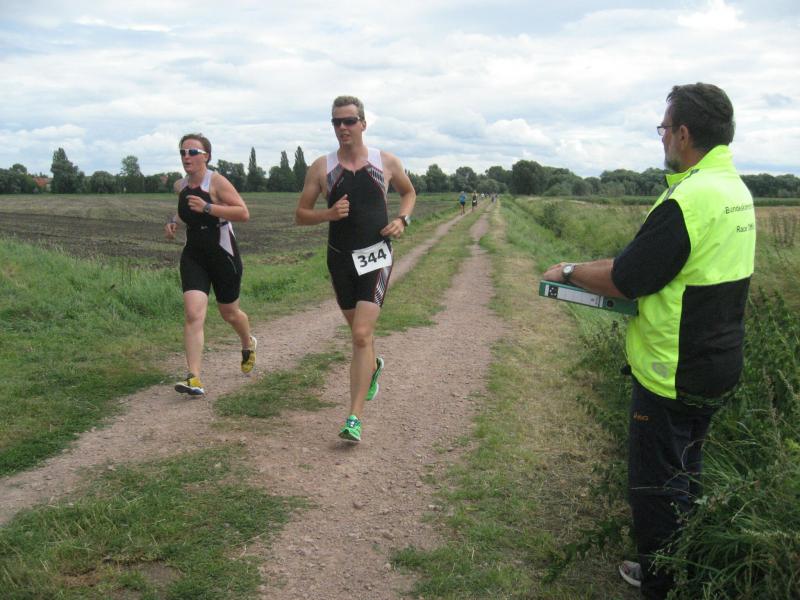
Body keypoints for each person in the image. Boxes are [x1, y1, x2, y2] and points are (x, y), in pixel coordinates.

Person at [543, 83, 755, 599]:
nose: (661, 137)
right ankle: (689, 569)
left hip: (669, 372)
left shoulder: (689, 199)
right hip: (718, 363)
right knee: (688, 475)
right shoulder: (734, 191)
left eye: (664, 128)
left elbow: (627, 278)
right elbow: (647, 264)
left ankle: (661, 584)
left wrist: (568, 271)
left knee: (656, 490)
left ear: (683, 134)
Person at [295, 96, 416, 442]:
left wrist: (402, 220)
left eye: (349, 121)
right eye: (336, 122)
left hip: (376, 256)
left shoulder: (385, 161)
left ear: (363, 123)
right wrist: (328, 214)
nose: (343, 128)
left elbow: (409, 193)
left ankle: (354, 418)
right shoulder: (322, 168)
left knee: (361, 334)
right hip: (340, 259)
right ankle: (373, 366)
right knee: (359, 334)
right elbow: (301, 214)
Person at [165, 133, 257, 396]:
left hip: (223, 254)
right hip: (194, 255)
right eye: (183, 152)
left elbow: (243, 213)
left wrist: (208, 207)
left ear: (206, 156)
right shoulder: (180, 185)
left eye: (193, 152)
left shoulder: (216, 182)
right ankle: (194, 378)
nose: (186, 157)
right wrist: (173, 221)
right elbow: (184, 210)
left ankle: (247, 342)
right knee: (193, 314)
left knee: (229, 313)